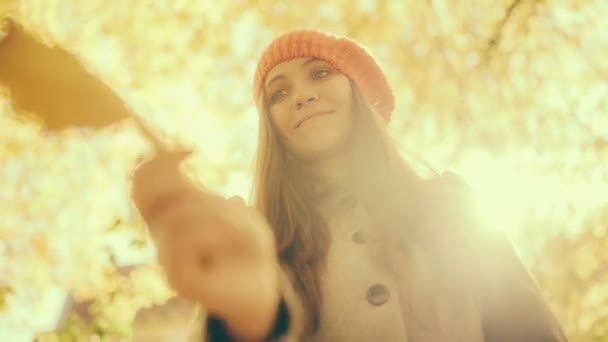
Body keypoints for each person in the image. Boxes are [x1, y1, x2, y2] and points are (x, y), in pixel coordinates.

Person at [131, 30, 567, 341]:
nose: (301, 95)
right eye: (278, 94)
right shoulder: (259, 239)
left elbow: (527, 325)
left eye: (320, 74)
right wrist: (248, 322)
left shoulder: (451, 203)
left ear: (360, 94)